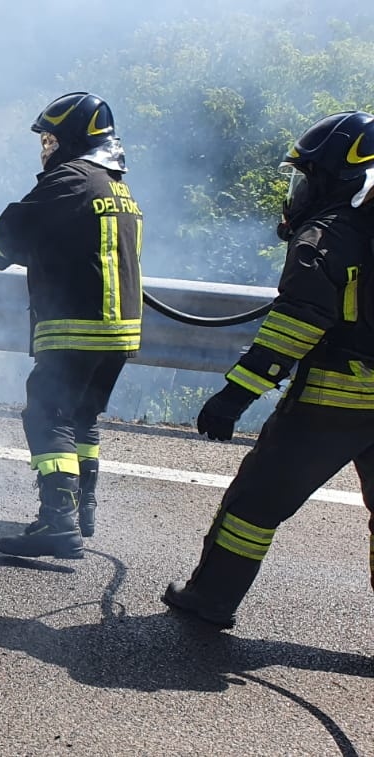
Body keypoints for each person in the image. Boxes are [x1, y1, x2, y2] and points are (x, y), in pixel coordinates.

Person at [164, 111, 374, 629]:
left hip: (335, 402)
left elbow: (296, 324)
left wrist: (235, 395)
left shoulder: (328, 236)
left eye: (308, 177)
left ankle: (210, 598)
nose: (300, 190)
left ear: (337, 179)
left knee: (253, 508)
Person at [0, 92, 144, 558]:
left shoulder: (71, 180)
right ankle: (83, 511)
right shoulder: (115, 185)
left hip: (76, 326)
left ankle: (58, 523)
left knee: (46, 415)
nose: (46, 148)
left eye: (52, 138)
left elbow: (11, 232)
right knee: (82, 418)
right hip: (120, 333)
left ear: (74, 138)